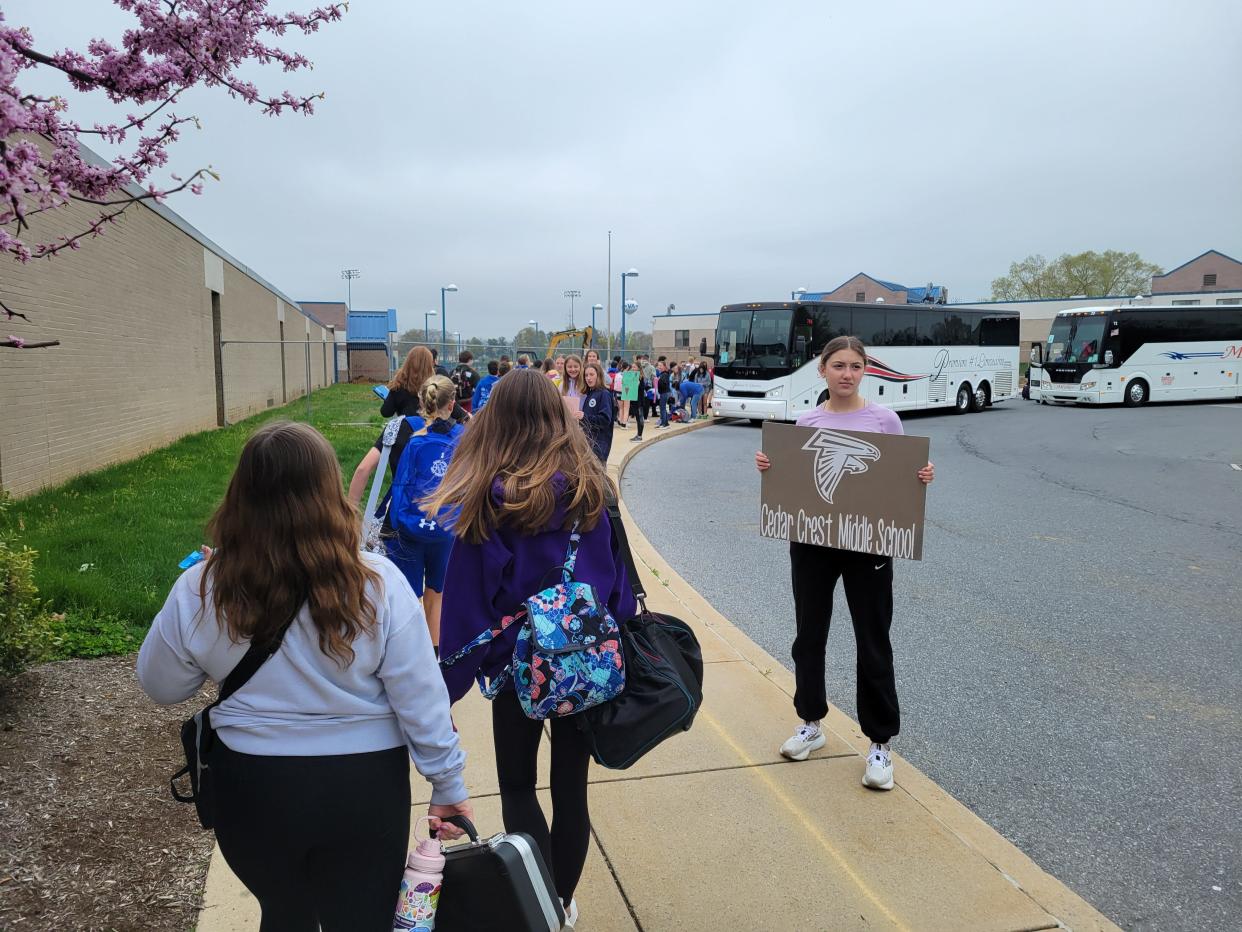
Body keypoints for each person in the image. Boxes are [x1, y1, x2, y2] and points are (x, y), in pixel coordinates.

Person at [137, 421, 472, 930]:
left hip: (252, 786)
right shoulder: (378, 583)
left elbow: (161, 685)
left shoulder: (204, 587)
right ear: (329, 493)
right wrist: (446, 782)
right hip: (363, 789)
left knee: (285, 912)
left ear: (240, 496)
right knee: (360, 918)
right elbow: (421, 699)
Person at [429, 369, 635, 927]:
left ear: (496, 421)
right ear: (557, 415)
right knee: (572, 789)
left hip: (520, 665)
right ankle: (564, 905)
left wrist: (443, 690)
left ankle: (538, 909)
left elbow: (470, 606)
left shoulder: (492, 498)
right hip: (584, 659)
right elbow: (615, 585)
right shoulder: (593, 488)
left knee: (518, 785)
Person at [754, 336, 934, 791]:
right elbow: (796, 477)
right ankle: (811, 722)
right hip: (813, 543)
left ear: (865, 370)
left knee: (872, 640)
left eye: (855, 366)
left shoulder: (885, 420)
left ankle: (879, 744)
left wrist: (921, 476)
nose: (847, 373)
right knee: (809, 636)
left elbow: (898, 477)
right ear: (823, 370)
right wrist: (770, 468)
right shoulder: (807, 420)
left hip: (868, 545)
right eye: (838, 365)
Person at [383, 376, 464, 650]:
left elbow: (400, 486)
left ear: (421, 401)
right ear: (452, 403)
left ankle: (407, 652)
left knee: (408, 596)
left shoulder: (413, 440)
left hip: (411, 527)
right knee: (437, 594)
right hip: (447, 529)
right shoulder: (463, 438)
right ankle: (434, 653)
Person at [382, 347, 468, 423]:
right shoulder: (435, 386)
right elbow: (459, 413)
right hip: (431, 432)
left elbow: (386, 412)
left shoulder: (398, 386)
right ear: (430, 364)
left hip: (407, 432)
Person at [580, 361, 615, 463]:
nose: (588, 378)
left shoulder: (604, 394)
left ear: (598, 375)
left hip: (599, 446)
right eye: (586, 375)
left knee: (597, 476)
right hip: (588, 444)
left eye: (591, 374)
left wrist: (584, 416)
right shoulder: (590, 394)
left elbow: (605, 419)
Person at [561, 354, 585, 420]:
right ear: (565, 368)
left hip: (583, 420)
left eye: (576, 366)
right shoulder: (562, 384)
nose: (573, 369)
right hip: (567, 419)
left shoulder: (585, 383)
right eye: (569, 367)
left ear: (580, 367)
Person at [619, 360, 639, 432]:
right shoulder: (629, 374)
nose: (632, 369)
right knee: (626, 408)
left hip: (619, 392)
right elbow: (634, 384)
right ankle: (624, 424)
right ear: (628, 367)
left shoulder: (620, 373)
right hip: (627, 392)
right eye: (632, 367)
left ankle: (621, 422)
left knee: (621, 408)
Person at [655, 360, 675, 428]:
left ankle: (664, 424)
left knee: (662, 408)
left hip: (664, 393)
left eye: (661, 365)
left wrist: (657, 381)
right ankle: (665, 423)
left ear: (664, 366)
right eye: (658, 366)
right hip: (664, 392)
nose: (659, 367)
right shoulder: (662, 374)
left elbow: (663, 384)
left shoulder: (664, 374)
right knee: (663, 408)